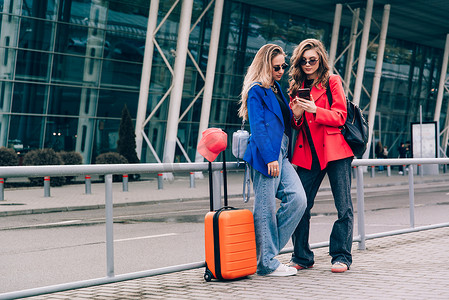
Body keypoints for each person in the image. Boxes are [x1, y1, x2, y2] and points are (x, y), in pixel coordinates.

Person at [238, 44, 307, 277]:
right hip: (266, 154)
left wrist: (295, 112)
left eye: (283, 66)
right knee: (265, 208)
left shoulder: (277, 88)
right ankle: (266, 263)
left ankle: (264, 253)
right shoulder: (256, 90)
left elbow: (287, 124)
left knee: (298, 199)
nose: (281, 70)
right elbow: (258, 127)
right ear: (265, 65)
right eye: (276, 66)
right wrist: (270, 157)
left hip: (283, 153)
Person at [287, 38, 354, 273]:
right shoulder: (297, 87)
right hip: (308, 155)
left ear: (320, 60)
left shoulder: (332, 81)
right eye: (303, 60)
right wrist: (296, 115)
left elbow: (340, 117)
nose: (308, 64)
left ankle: (341, 256)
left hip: (335, 152)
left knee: (343, 206)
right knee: (300, 205)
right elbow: (295, 125)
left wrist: (316, 110)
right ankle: (302, 257)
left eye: (312, 60)